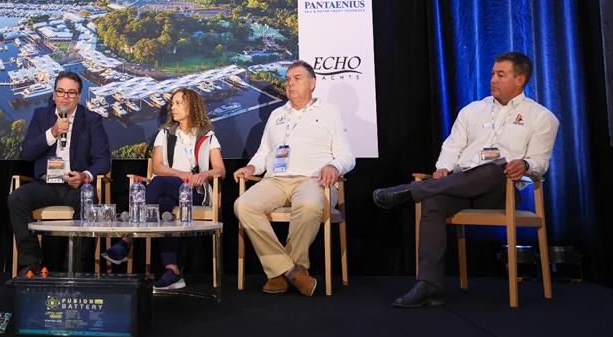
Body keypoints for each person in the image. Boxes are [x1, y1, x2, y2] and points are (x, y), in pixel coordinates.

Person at [372, 52, 559, 307]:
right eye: (492, 73)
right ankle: (429, 285)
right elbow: (452, 147)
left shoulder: (542, 117)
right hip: (460, 187)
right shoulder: (472, 110)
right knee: (434, 199)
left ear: (520, 79)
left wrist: (525, 164)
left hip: (500, 191)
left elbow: (540, 162)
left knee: (495, 167)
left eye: (500, 75)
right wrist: (443, 168)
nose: (492, 79)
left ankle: (411, 190)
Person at [233, 60, 356, 296]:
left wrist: (334, 165)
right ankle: (293, 272)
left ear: (313, 83)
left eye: (297, 78)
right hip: (275, 180)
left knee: (310, 204)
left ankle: (280, 273)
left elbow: (347, 155)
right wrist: (251, 167)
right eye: (288, 79)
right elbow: (264, 152)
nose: (290, 84)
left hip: (312, 180)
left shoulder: (329, 113)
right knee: (243, 205)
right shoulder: (276, 114)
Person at [102, 88, 226, 290]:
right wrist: (181, 174)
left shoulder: (207, 136)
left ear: (191, 106)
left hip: (195, 192)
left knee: (158, 182)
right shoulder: (164, 134)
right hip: (170, 189)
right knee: (163, 205)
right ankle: (172, 270)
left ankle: (126, 241)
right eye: (172, 103)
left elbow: (220, 169)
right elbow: (158, 166)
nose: (172, 107)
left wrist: (205, 174)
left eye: (178, 103)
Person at [8, 71, 111, 276]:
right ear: (54, 94)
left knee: (89, 200)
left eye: (71, 93)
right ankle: (31, 265)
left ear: (79, 97)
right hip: (47, 184)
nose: (65, 96)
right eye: (61, 91)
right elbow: (27, 153)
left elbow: (103, 159)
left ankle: (75, 270)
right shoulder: (41, 116)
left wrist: (85, 175)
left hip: (76, 185)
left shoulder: (91, 119)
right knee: (16, 199)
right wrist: (53, 132)